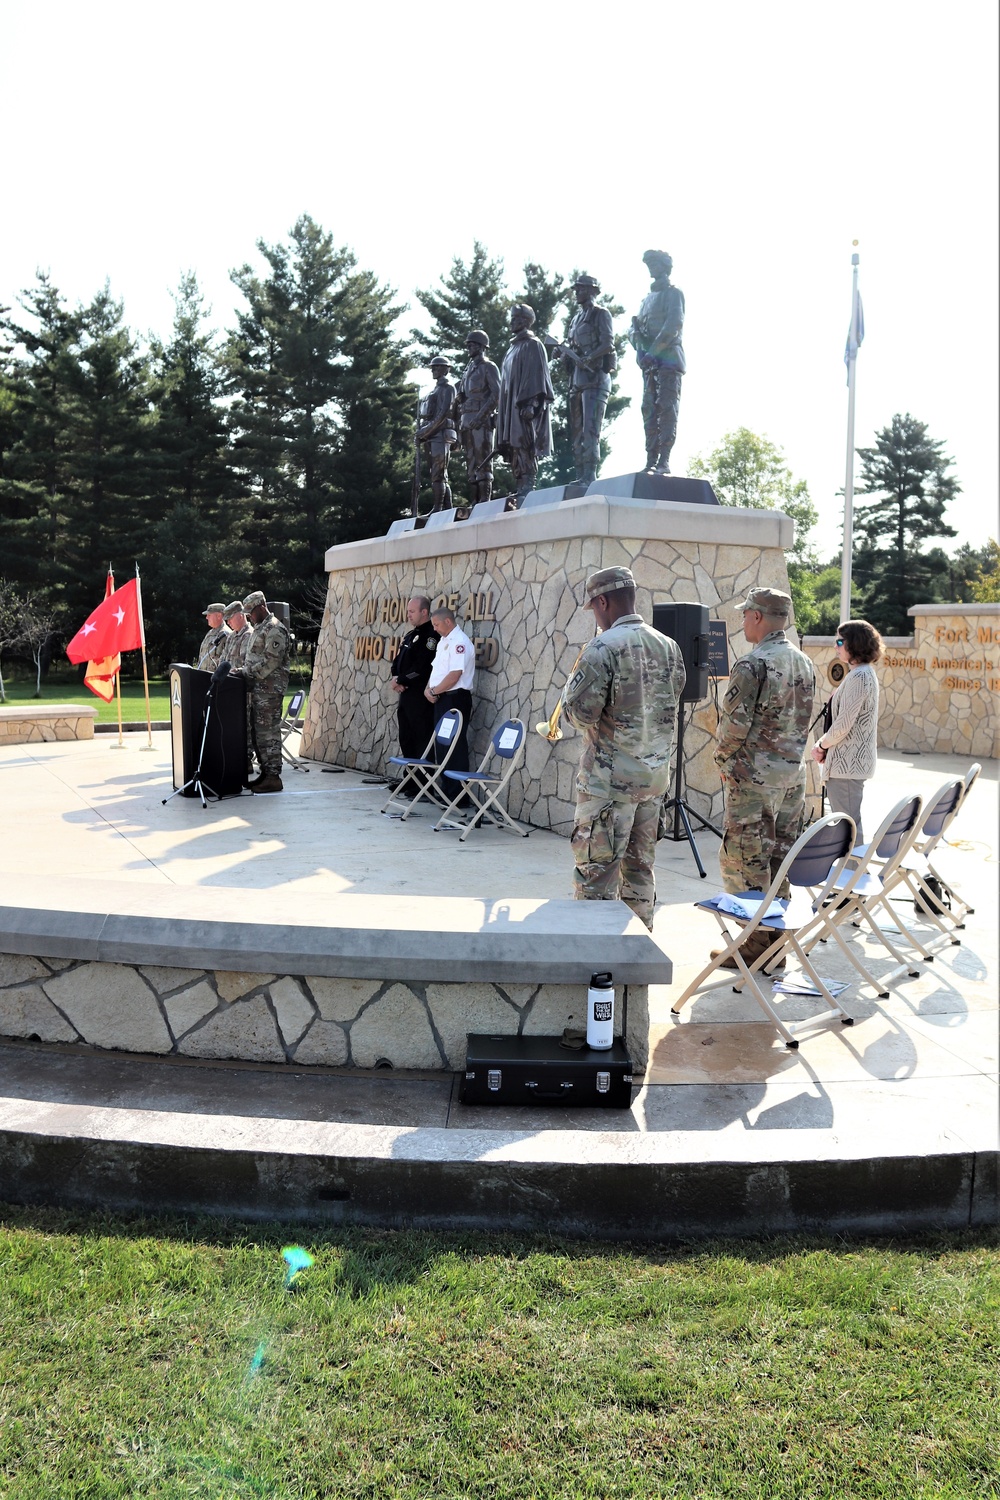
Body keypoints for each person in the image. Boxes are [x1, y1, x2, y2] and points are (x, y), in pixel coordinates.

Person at [560, 566, 686, 930]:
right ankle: (636, 964)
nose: (596, 617)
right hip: (652, 783)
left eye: (594, 608)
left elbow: (581, 716)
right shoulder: (669, 646)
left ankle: (596, 968)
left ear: (603, 601)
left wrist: (571, 690)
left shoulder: (602, 648)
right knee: (640, 874)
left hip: (609, 787)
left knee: (596, 879)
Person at [713, 587, 815, 965]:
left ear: (757, 617)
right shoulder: (804, 662)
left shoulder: (752, 665)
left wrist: (723, 765)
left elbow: (732, 730)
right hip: (792, 779)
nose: (742, 621)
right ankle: (774, 944)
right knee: (779, 860)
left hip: (754, 782)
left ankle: (754, 946)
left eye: (745, 615)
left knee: (743, 862)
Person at [811, 619, 883, 844]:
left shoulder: (860, 676)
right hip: (847, 766)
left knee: (848, 828)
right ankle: (852, 873)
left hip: (848, 767)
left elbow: (843, 725)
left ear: (855, 644)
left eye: (840, 641)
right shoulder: (859, 674)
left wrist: (821, 745)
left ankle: (854, 874)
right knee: (847, 826)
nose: (836, 646)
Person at [547, 273, 615, 492]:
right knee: (576, 431)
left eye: (582, 288)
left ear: (592, 291)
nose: (577, 292)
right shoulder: (576, 320)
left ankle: (590, 473)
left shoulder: (600, 314)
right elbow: (572, 346)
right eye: (576, 289)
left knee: (590, 430)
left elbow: (608, 344)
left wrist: (590, 357)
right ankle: (580, 474)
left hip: (595, 379)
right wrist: (562, 352)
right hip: (576, 381)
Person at [628, 249, 685, 476]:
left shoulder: (673, 294)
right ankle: (651, 459)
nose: (652, 268)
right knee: (648, 410)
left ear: (665, 266)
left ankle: (664, 460)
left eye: (655, 264)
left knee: (666, 409)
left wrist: (653, 351)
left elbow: (673, 325)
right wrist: (639, 344)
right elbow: (634, 329)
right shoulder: (645, 300)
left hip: (668, 361)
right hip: (649, 364)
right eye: (649, 264)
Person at [231, 590, 291, 794]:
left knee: (268, 733)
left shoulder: (275, 629)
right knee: (257, 733)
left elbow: (271, 662)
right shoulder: (260, 628)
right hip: (258, 689)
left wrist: (245, 672)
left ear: (261, 607)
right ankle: (266, 773)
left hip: (269, 691)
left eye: (250, 612)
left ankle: (273, 776)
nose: (248, 616)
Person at [497, 303, 555, 503]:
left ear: (525, 321)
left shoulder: (532, 344)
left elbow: (536, 376)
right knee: (513, 445)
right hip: (511, 407)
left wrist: (530, 404)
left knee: (524, 444)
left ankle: (528, 484)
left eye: (516, 318)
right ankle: (519, 483)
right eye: (512, 318)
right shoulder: (512, 348)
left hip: (525, 406)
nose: (512, 322)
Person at [424, 605, 475, 784]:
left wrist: (433, 691)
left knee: (454, 745)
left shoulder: (459, 642)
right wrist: (428, 688)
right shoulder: (443, 641)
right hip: (442, 697)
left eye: (437, 625)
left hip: (455, 698)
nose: (435, 629)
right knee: (443, 744)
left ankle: (457, 795)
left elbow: (454, 675)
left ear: (448, 621)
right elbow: (437, 670)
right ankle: (446, 791)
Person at [390, 596, 439, 780]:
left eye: (412, 611)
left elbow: (423, 667)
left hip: (420, 698)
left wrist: (402, 680)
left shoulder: (431, 637)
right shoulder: (411, 635)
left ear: (424, 612)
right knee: (407, 739)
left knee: (422, 740)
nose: (408, 615)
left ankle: (423, 784)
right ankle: (409, 781)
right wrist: (396, 677)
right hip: (406, 697)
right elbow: (398, 661)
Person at [455, 331, 501, 506]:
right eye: (468, 345)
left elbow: (496, 395)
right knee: (471, 462)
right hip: (467, 420)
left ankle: (484, 500)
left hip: (480, 421)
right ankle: (474, 500)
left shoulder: (488, 367)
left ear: (482, 347)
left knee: (483, 461)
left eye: (472, 345)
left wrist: (481, 417)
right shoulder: (468, 370)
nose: (469, 348)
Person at [418, 356, 458, 512]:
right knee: (438, 473)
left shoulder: (448, 388)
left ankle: (438, 507)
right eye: (432, 368)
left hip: (441, 434)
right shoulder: (434, 390)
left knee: (438, 473)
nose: (433, 370)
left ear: (445, 369)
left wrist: (425, 431)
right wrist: (422, 433)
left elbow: (443, 414)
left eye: (437, 367)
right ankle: (446, 508)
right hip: (432, 435)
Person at [195, 602, 229, 672]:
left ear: (219, 616)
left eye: (209, 615)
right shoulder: (210, 633)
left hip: (214, 679)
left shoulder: (226, 634)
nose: (206, 617)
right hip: (202, 677)